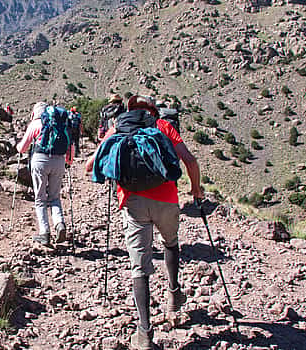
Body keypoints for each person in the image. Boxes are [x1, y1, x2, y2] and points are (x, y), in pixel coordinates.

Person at [84, 95, 203, 350]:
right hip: (168, 198)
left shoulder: (119, 127)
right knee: (170, 244)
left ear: (129, 111)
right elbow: (190, 161)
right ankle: (173, 295)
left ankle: (145, 333)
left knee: (140, 267)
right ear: (153, 110)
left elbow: (89, 166)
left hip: (133, 202)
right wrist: (196, 190)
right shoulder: (163, 126)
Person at [17, 102, 74, 247]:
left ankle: (45, 233)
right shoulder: (61, 124)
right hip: (59, 161)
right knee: (55, 197)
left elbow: (22, 148)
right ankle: (59, 224)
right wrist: (67, 161)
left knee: (40, 198)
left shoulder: (35, 124)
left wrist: (18, 147)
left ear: (35, 112)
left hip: (40, 160)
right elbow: (70, 149)